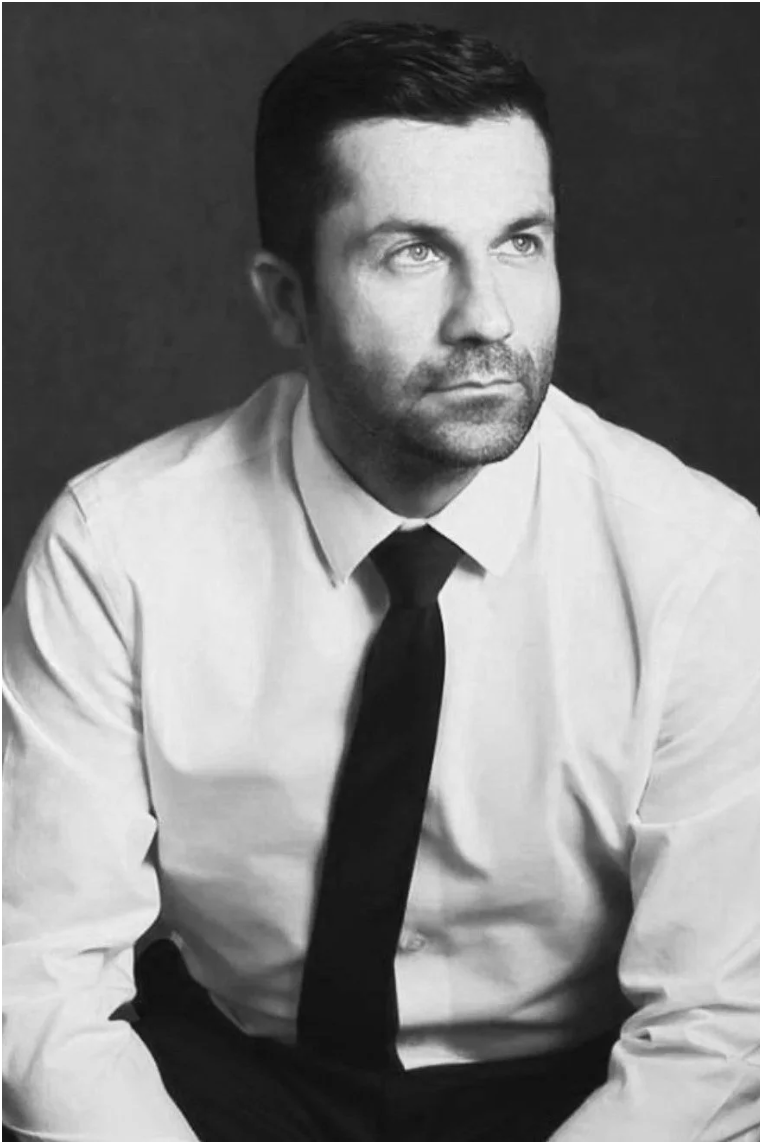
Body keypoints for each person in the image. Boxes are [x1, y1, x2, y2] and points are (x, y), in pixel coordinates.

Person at [3, 20, 760, 1143]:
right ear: (286, 301)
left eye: (520, 242)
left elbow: (716, 1030)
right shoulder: (116, 546)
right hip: (222, 1080)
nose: (488, 318)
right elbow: (36, 981)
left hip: (580, 1093)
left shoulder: (698, 559)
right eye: (411, 251)